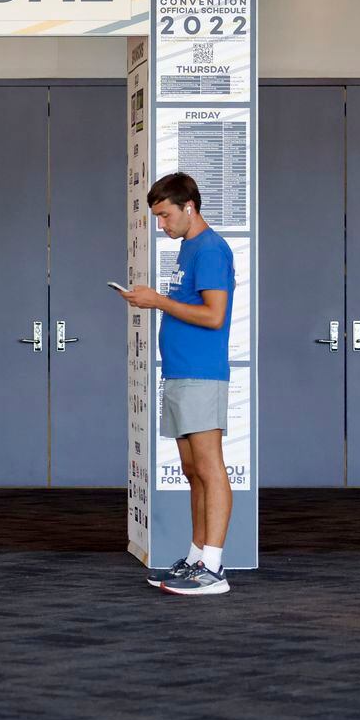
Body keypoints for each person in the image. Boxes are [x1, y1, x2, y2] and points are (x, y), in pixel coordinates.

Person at [117, 172, 236, 596]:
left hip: (202, 374)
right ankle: (197, 556)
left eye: (166, 216)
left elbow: (214, 316)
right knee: (193, 471)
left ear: (189, 207)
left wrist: (158, 302)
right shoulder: (188, 249)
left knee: (210, 467)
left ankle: (215, 569)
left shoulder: (210, 250)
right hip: (181, 373)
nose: (162, 226)